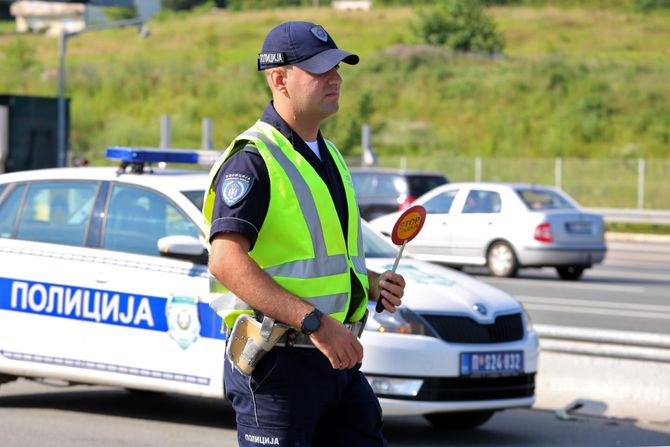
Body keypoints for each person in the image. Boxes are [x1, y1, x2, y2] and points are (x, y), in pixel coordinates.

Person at [203, 21, 406, 447]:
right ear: (279, 79)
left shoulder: (328, 153)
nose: (336, 78)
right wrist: (314, 322)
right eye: (319, 70)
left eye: (338, 67)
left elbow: (321, 259)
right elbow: (225, 261)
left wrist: (369, 285)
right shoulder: (253, 160)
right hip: (280, 363)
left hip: (336, 361)